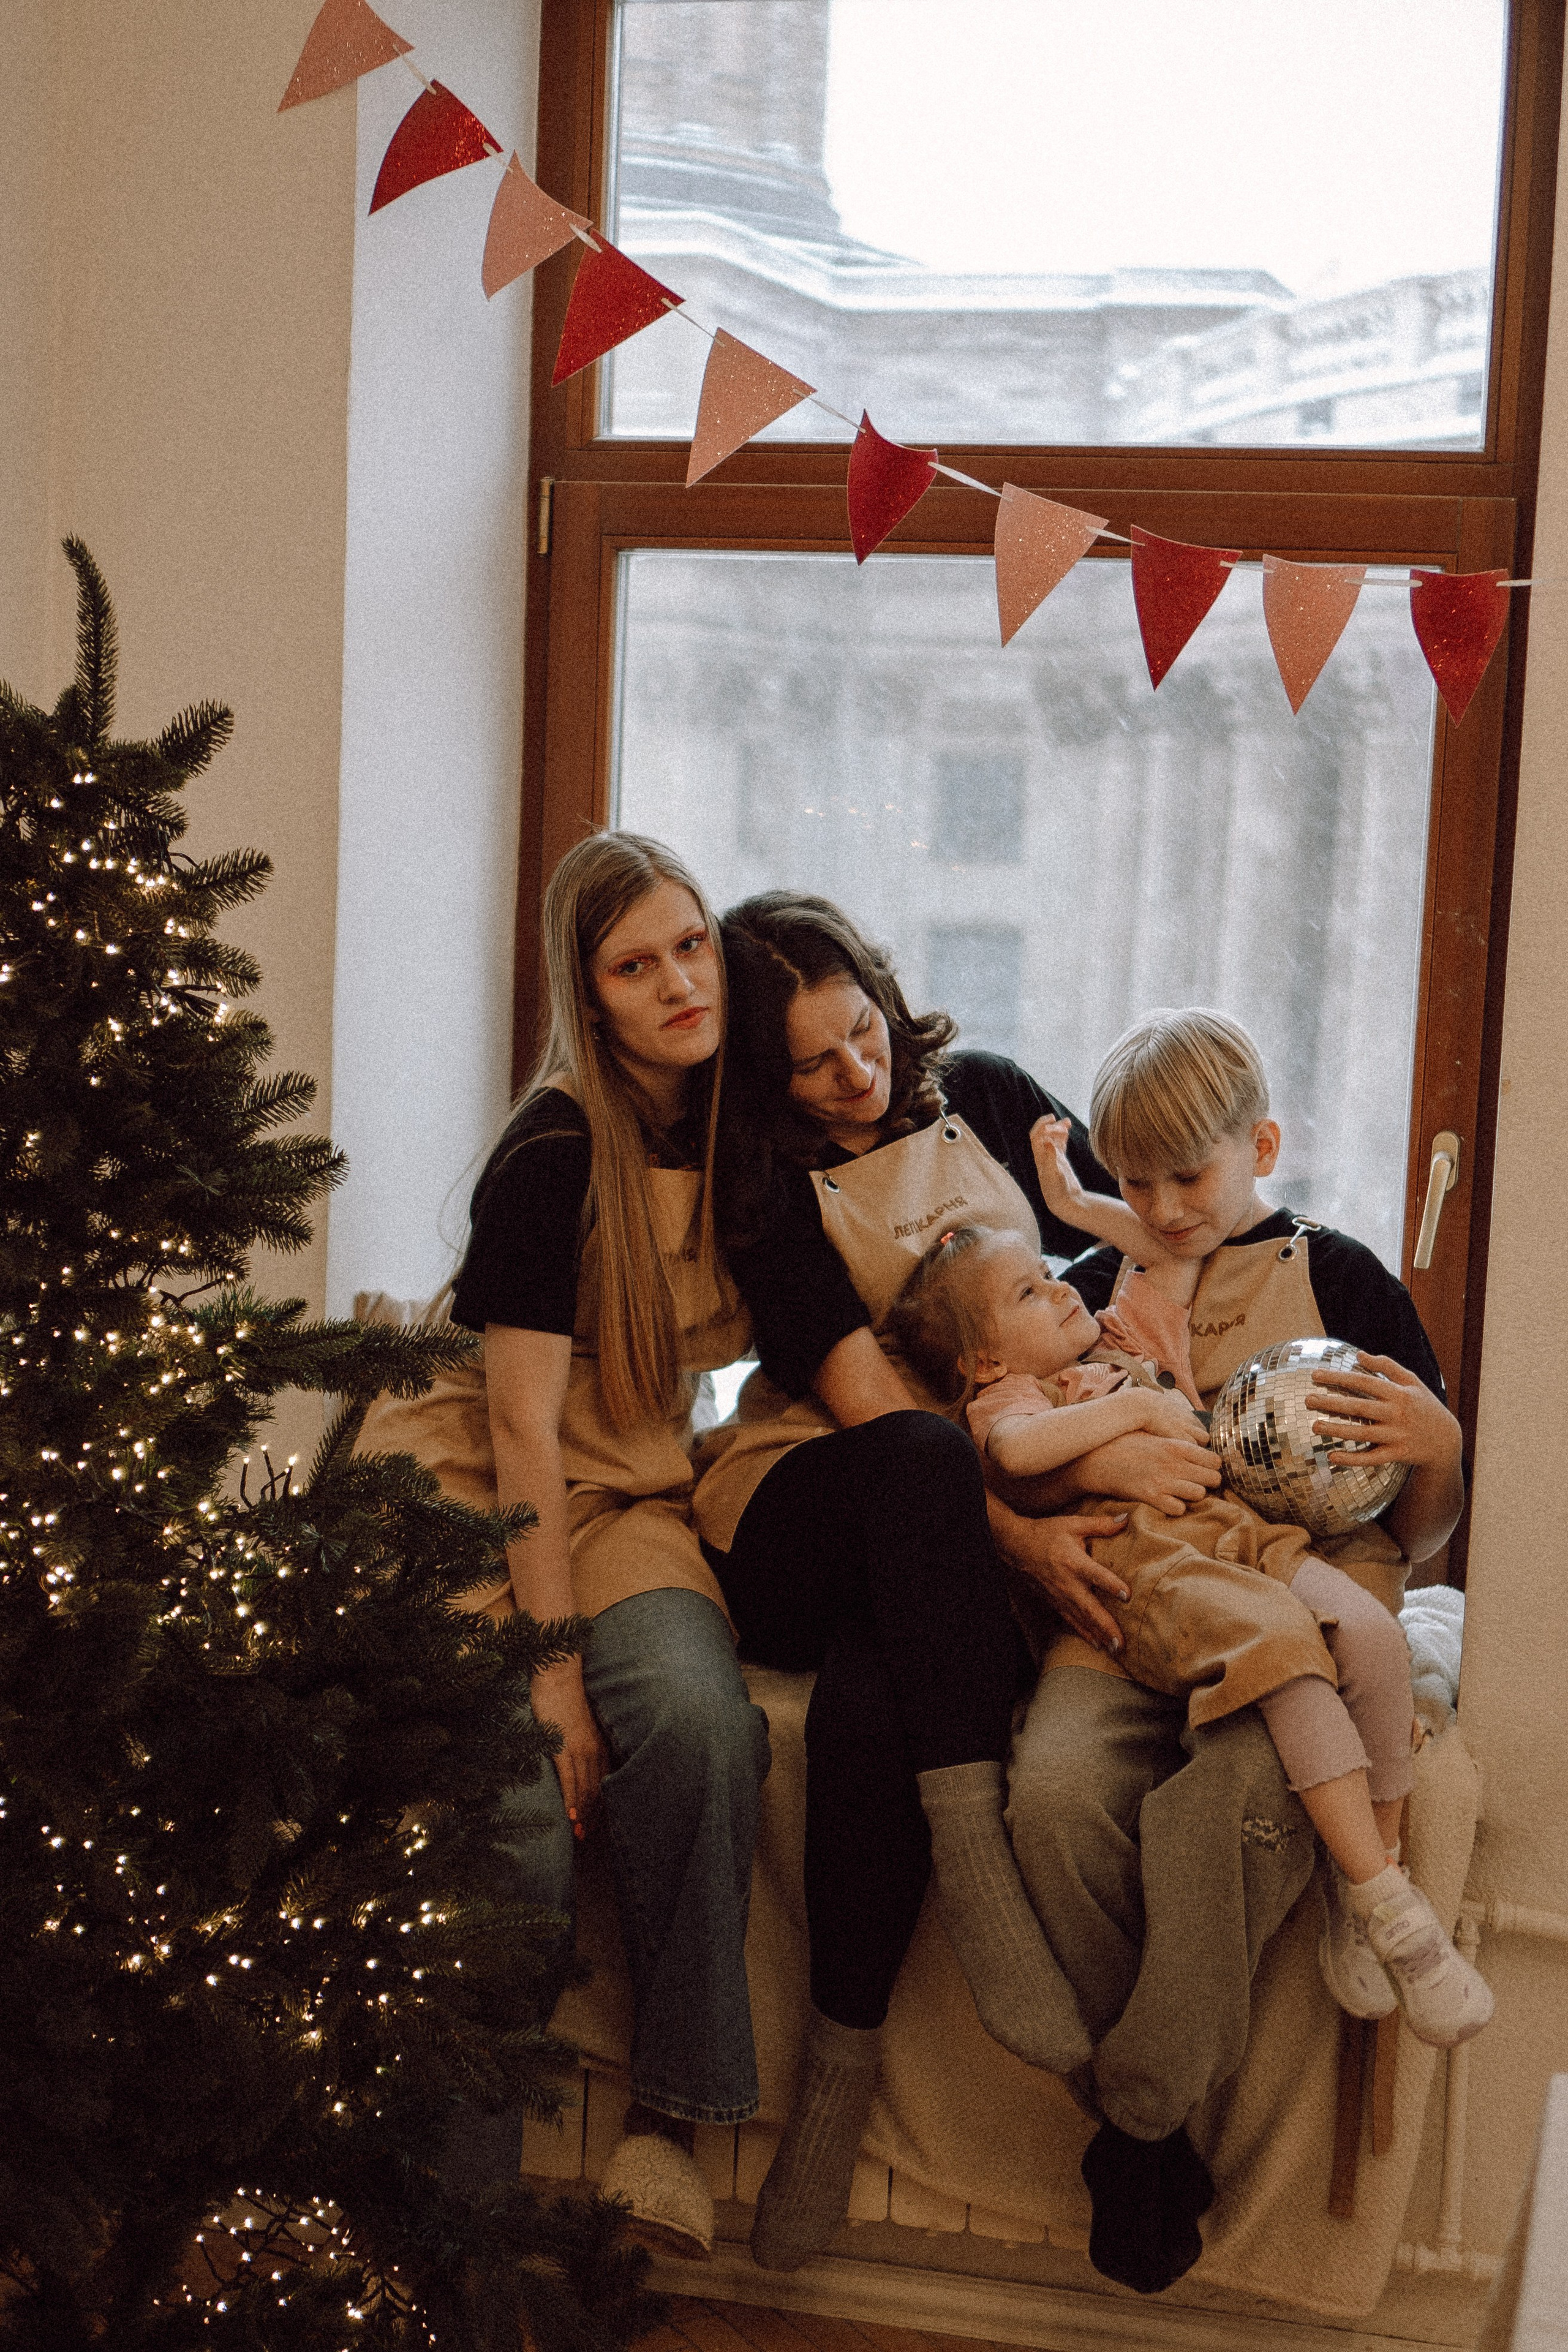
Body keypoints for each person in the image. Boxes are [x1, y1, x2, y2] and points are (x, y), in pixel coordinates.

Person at [694, 891, 1227, 2275]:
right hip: (826, 1488)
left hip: (980, 1492)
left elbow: (1137, 1225)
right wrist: (1021, 1540)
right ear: (766, 1076)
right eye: (810, 1063)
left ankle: (836, 2081)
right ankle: (978, 1878)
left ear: (882, 996)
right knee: (925, 1460)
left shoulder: (984, 1095)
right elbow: (878, 1410)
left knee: (877, 1709)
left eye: (859, 1032)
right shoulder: (769, 1198)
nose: (852, 1074)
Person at [1003, 1006, 1478, 2290]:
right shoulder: (1098, 1289)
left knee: (1211, 1816)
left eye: (1189, 1176)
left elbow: (1417, 1535)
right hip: (1139, 1605)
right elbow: (1038, 1446)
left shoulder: (1341, 1277)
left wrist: (1432, 1450)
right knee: (1047, 1799)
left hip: (1305, 1610)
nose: (1159, 1208)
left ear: (1259, 1144)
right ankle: (1152, 2108)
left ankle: (1139, 2125)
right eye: (1131, 1181)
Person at [887, 1215, 1492, 2049]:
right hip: (1162, 1577)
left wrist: (1074, 1192)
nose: (1066, 1286)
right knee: (1284, 1661)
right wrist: (1131, 1410)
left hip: (1244, 1541)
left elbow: (1164, 1243)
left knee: (1370, 1637)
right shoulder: (1018, 1393)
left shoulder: (1122, 1329)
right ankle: (1386, 1906)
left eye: (1051, 1268)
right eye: (1030, 1289)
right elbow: (1018, 1455)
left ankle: (1377, 1887)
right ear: (984, 1360)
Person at [448, 833, 772, 2260]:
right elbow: (519, 1433)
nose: (676, 985)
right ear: (588, 995)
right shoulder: (551, 1151)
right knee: (516, 1813)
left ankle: (670, 2129)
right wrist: (553, 1674)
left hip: (634, 1500)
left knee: (704, 1724)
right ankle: (451, 2209)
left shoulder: (730, 1129)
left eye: (691, 946)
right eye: (635, 966)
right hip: (488, 1504)